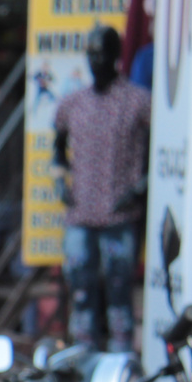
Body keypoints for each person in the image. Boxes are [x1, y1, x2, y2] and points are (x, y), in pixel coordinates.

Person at [54, 25, 150, 351]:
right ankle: (83, 355)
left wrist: (142, 186)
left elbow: (157, 144)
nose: (96, 60)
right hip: (81, 212)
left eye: (102, 53)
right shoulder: (73, 103)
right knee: (81, 289)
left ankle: (121, 360)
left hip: (118, 213)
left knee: (119, 291)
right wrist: (59, 180)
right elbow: (58, 143)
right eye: (91, 54)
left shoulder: (137, 102)